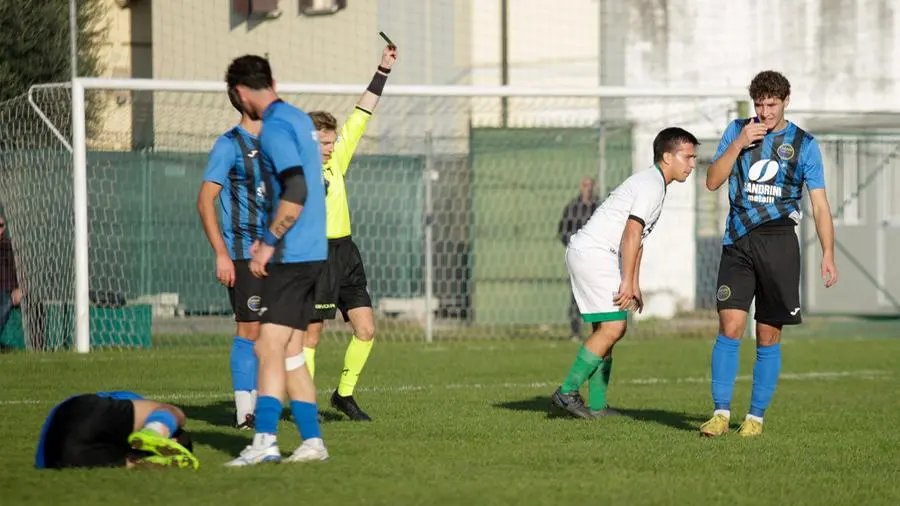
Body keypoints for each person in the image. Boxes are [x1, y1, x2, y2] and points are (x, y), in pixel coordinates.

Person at [700, 70, 838, 437]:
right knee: (730, 324)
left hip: (779, 243)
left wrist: (828, 252)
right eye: (759, 104)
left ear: (786, 101)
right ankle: (720, 413)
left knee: (767, 333)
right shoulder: (738, 130)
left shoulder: (805, 144)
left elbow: (820, 206)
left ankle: (755, 418)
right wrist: (738, 144)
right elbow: (712, 181)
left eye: (771, 104)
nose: (765, 112)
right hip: (738, 241)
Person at [550, 127, 699, 419]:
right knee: (614, 327)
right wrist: (627, 281)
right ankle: (567, 392)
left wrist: (635, 282)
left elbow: (637, 240)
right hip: (594, 253)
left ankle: (596, 405)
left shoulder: (656, 184)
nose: (693, 164)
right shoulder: (652, 185)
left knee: (606, 328)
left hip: (593, 253)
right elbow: (631, 233)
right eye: (688, 157)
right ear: (667, 157)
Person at [223, 54, 329, 466]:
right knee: (290, 353)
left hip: (292, 254)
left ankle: (264, 439)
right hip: (313, 252)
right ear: (273, 81)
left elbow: (297, 188)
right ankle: (313, 442)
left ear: (240, 93)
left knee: (266, 346)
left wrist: (268, 241)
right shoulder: (301, 118)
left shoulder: (273, 130)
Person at [302, 43, 397, 422]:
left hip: (345, 253)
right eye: (323, 142)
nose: (329, 147)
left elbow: (363, 113)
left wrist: (383, 69)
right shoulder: (294, 173)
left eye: (331, 141)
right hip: (314, 255)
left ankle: (343, 395)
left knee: (366, 329)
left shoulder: (337, 159)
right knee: (311, 337)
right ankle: (305, 403)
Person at [197, 90, 267, 431]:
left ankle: (264, 406)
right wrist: (221, 253)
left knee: (278, 334)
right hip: (242, 254)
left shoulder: (276, 142)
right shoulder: (228, 145)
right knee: (250, 329)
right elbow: (205, 200)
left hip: (278, 253)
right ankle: (245, 412)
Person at [34, 390, 198, 470]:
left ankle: (155, 430)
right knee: (132, 461)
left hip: (51, 454)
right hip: (66, 454)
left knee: (174, 412)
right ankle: (152, 434)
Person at [557, 177, 600, 342]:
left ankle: (598, 330)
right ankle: (575, 331)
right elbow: (562, 230)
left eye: (590, 186)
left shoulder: (598, 207)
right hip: (578, 258)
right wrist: (574, 244)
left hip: (596, 259)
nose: (587, 189)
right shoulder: (572, 208)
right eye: (584, 185)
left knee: (596, 295)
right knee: (576, 295)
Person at [0, 216, 22, 336]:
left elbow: (19, 269)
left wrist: (18, 289)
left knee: (4, 302)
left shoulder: (8, 246)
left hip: (5, 289)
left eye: (1, 226)